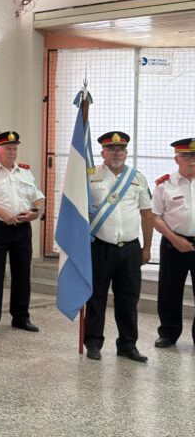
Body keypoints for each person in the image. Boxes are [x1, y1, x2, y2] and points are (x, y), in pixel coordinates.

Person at [84, 132, 152, 362]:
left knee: (128, 298)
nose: (116, 153)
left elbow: (147, 214)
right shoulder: (89, 176)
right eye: (111, 149)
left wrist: (147, 248)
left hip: (130, 249)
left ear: (126, 152)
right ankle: (93, 342)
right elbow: (78, 213)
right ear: (102, 152)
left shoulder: (138, 178)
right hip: (100, 247)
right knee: (96, 297)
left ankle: (127, 344)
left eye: (121, 149)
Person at [0, 131, 44, 332]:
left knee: (22, 273)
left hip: (22, 228)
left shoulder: (26, 172)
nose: (13, 152)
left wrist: (35, 212)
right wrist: (1, 213)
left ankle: (21, 317)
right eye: (8, 148)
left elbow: (38, 198)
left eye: (15, 148)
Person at [151, 137, 195, 349]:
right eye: (187, 156)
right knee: (169, 291)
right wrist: (175, 239)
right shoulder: (165, 185)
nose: (192, 160)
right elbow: (155, 216)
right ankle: (168, 333)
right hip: (173, 244)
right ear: (176, 158)